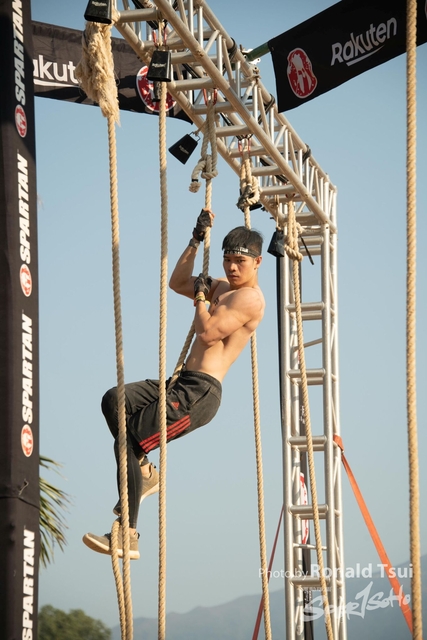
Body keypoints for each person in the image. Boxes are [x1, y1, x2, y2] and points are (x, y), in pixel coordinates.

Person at [83, 210, 265, 559]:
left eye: (239, 262)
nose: (231, 268)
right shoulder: (223, 288)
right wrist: (195, 240)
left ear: (257, 262)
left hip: (199, 394)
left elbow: (207, 332)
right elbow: (178, 282)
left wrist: (202, 297)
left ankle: (128, 535)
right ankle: (145, 473)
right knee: (114, 399)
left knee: (127, 441)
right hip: (180, 382)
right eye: (227, 260)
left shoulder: (249, 299)